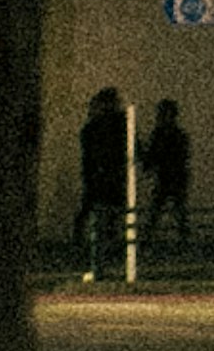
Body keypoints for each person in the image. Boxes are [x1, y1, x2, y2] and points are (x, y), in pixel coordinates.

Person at [75, 85, 132, 276]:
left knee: (98, 223)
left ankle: (98, 263)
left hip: (98, 181)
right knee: (110, 224)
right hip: (114, 181)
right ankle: (108, 261)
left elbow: (88, 157)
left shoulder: (94, 127)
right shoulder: (122, 125)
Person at [139, 95, 195, 256]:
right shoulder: (174, 135)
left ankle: (147, 243)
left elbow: (154, 156)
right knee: (172, 213)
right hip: (171, 177)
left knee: (162, 212)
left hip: (169, 177)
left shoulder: (165, 135)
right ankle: (182, 244)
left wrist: (148, 162)